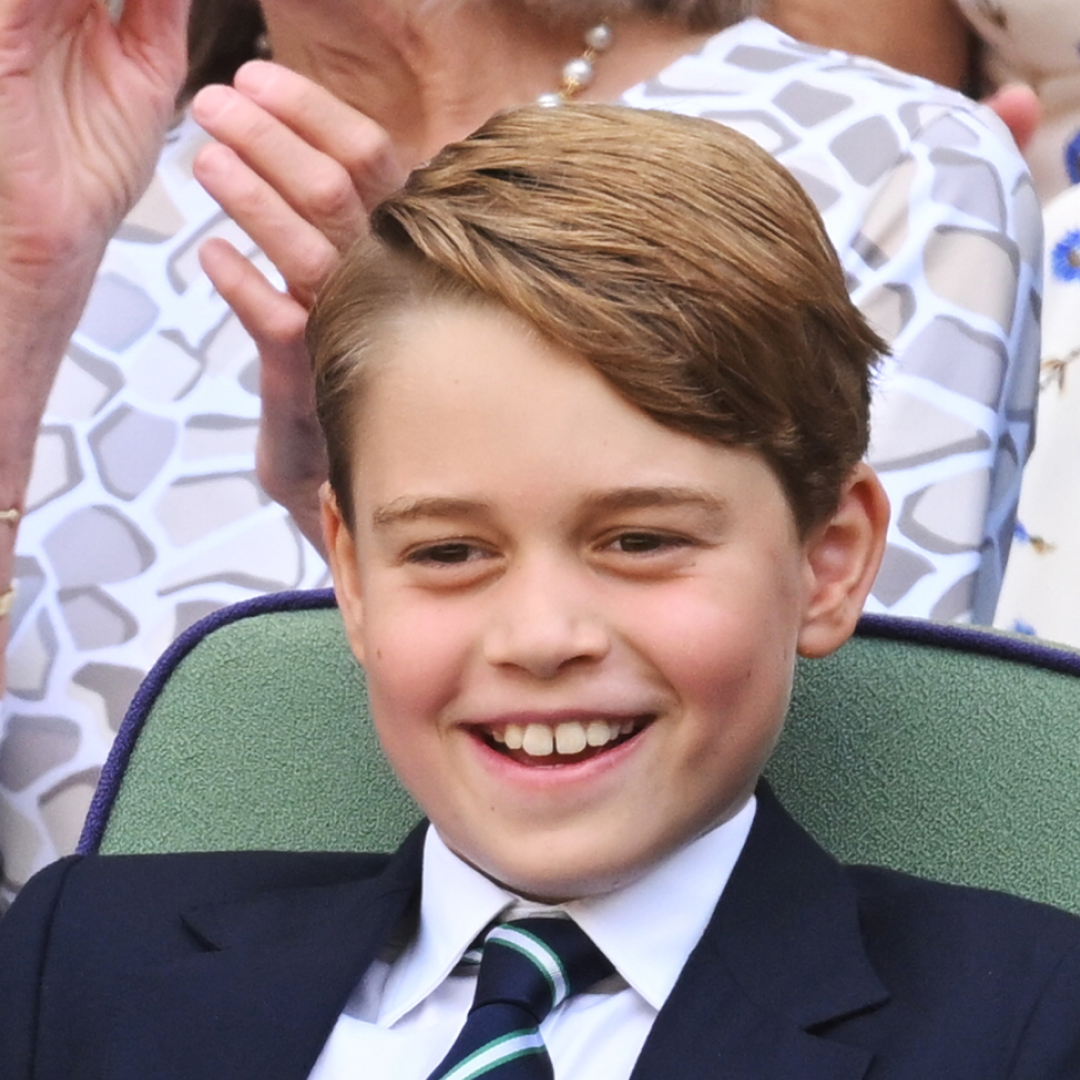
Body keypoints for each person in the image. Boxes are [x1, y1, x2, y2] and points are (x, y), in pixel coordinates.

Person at [2, 105, 1078, 1080]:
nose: (541, 636)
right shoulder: (82, 964)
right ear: (353, 577)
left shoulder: (1026, 1024)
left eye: (642, 539)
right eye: (448, 553)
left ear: (828, 560)